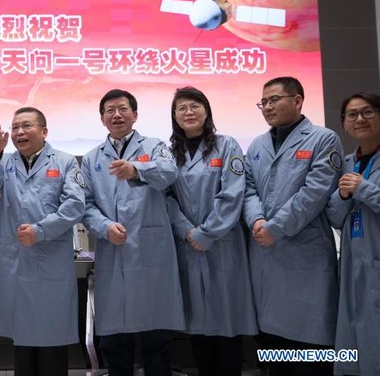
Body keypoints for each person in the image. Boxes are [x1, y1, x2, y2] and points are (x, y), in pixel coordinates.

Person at [243, 76, 342, 376]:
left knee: (310, 350)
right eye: (263, 102)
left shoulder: (323, 139)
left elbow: (315, 193)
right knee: (275, 351)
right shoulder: (257, 145)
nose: (267, 107)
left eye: (274, 100)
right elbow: (248, 190)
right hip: (264, 252)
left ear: (298, 100)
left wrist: (276, 227)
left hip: (305, 253)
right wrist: (257, 220)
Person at [81, 89, 184, 376]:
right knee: (114, 338)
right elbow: (85, 203)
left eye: (123, 109)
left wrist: (136, 169)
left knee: (156, 336)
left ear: (135, 115)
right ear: (102, 118)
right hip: (113, 248)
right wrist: (104, 226)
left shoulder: (155, 145)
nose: (116, 115)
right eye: (110, 110)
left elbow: (169, 173)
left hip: (151, 250)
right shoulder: (91, 158)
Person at [0, 107, 84, 376]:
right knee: (22, 338)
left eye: (26, 126)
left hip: (49, 259)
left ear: (44, 131)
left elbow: (74, 206)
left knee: (51, 339)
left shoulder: (65, 162)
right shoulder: (5, 162)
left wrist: (40, 231)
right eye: (15, 128)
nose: (19, 132)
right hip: (16, 259)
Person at [166, 86, 257, 376]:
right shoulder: (168, 154)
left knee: (227, 326)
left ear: (207, 111)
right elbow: (166, 198)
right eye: (182, 108)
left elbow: (233, 194)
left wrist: (206, 233)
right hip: (188, 245)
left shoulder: (227, 145)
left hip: (223, 243)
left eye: (195, 106)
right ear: (174, 116)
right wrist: (187, 231)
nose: (189, 112)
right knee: (198, 328)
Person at [325, 92, 380, 375]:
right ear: (344, 124)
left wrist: (363, 188)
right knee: (355, 335)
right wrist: (344, 195)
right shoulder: (346, 163)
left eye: (368, 112)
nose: (360, 119)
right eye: (352, 115)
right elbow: (334, 217)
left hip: (374, 258)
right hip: (353, 263)